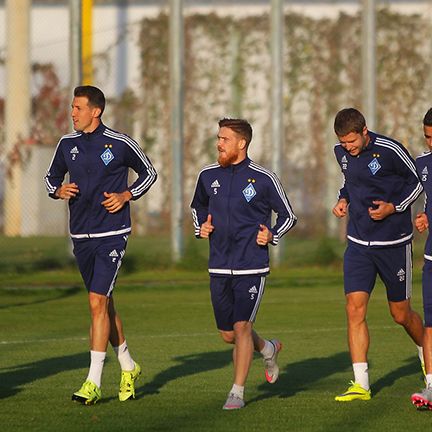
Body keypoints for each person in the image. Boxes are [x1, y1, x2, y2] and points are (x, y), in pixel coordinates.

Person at [44, 85, 157, 405]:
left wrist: (126, 195)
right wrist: (58, 191)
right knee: (104, 304)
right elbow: (50, 178)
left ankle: (92, 382)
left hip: (113, 233)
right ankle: (128, 366)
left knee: (96, 302)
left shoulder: (120, 143)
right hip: (81, 235)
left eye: (78, 107)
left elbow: (150, 172)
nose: (72, 113)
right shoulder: (67, 144)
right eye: (72, 107)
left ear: (96, 111)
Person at [190, 118, 297, 410]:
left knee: (242, 327)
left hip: (252, 265)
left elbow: (287, 215)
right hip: (219, 265)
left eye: (224, 139)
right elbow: (197, 206)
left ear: (242, 143)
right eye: (218, 138)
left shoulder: (263, 178)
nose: (219, 144)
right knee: (229, 335)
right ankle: (268, 348)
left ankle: (237, 392)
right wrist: (202, 226)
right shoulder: (207, 175)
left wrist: (271, 234)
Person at [332, 108, 424, 402]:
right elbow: (350, 182)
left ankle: (428, 355)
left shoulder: (390, 149)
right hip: (358, 244)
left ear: (364, 131)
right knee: (354, 309)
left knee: (400, 314)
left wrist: (394, 207)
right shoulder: (342, 152)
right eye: (343, 143)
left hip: (394, 243)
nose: (347, 147)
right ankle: (361, 384)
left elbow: (417, 183)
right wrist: (342, 200)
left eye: (351, 141)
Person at [411, 108, 432, 409]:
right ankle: (431, 387)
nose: (431, 143)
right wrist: (426, 215)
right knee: (430, 325)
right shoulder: (423, 164)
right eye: (428, 138)